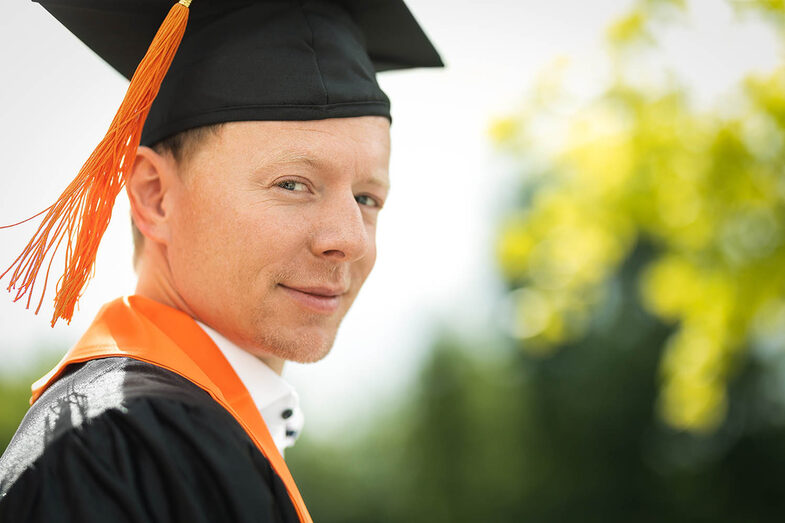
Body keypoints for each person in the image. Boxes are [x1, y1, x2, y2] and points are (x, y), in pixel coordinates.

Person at [0, 0, 442, 521]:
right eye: (293, 184)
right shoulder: (118, 447)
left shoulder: (193, 436)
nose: (350, 240)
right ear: (155, 196)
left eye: (367, 199)